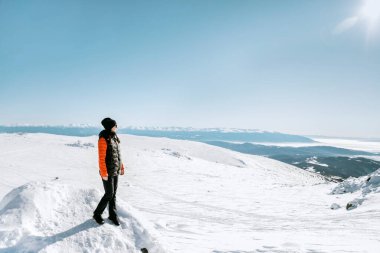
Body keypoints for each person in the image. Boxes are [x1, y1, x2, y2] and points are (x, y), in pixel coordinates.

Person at [93, 117, 125, 226]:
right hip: (107, 171)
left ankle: (112, 214)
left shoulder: (114, 137)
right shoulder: (103, 139)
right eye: (115, 125)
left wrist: (121, 166)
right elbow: (101, 158)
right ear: (110, 126)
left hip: (115, 169)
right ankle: (97, 214)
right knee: (109, 194)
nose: (117, 127)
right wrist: (103, 173)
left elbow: (118, 154)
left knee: (113, 194)